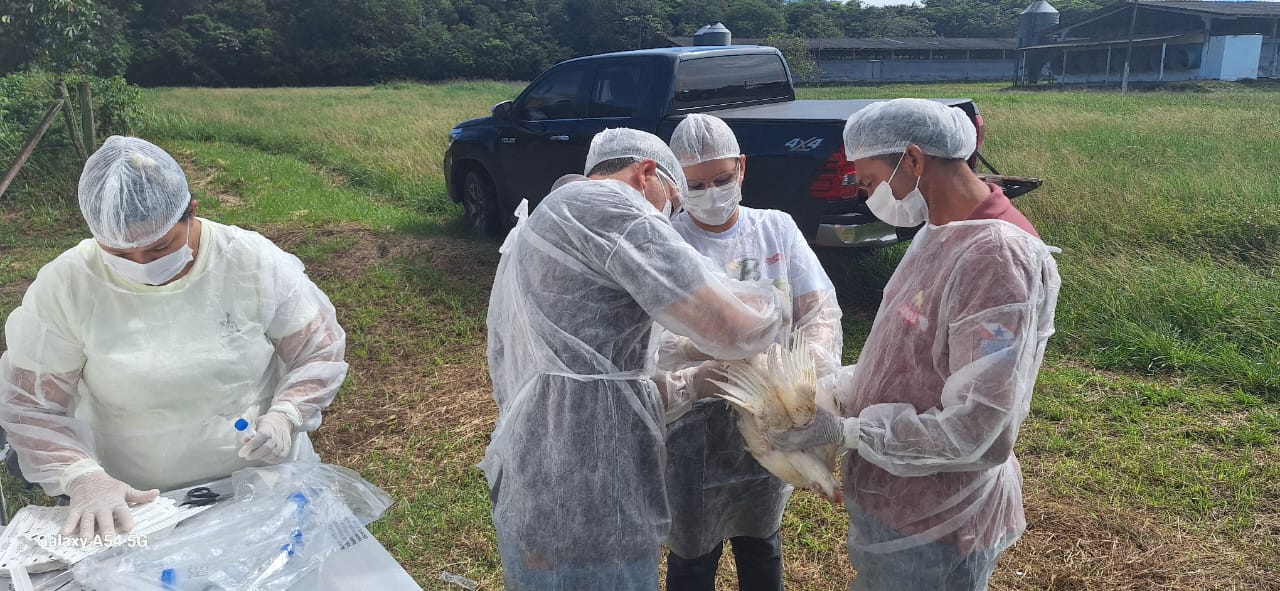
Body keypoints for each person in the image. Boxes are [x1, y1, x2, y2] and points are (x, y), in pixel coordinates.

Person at [480, 127, 791, 590]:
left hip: (541, 472)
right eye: (672, 202)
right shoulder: (613, 208)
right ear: (648, 174)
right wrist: (777, 308)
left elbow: (597, 366)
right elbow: (738, 330)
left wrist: (689, 370)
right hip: (591, 495)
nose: (668, 215)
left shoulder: (556, 215)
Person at [769, 99, 1061, 591]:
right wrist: (832, 386)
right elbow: (902, 350)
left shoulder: (995, 255)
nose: (867, 196)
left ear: (914, 159)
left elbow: (980, 428)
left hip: (939, 517)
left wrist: (851, 432)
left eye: (867, 181)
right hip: (896, 498)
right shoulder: (939, 232)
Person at [0, 136, 347, 540]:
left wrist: (286, 415)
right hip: (136, 502)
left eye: (160, 247)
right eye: (120, 254)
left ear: (191, 213)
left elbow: (317, 349)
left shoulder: (250, 261)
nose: (142, 264)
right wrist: (82, 476)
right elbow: (32, 406)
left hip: (262, 483)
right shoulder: (67, 284)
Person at [657, 114, 844, 591]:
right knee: (693, 548)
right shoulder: (667, 243)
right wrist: (695, 350)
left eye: (722, 179)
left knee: (761, 538)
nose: (713, 193)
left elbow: (818, 308)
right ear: (676, 183)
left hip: (772, 416)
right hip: (694, 423)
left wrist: (807, 372)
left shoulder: (774, 230)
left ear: (742, 168)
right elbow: (651, 340)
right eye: (696, 184)